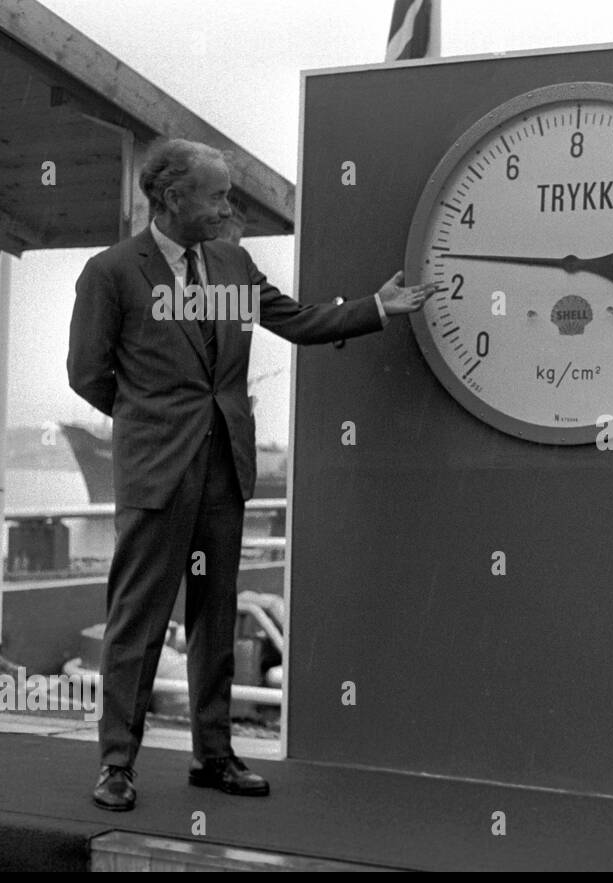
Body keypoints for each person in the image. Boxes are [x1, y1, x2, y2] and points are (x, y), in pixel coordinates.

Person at [67, 138, 434, 811]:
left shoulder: (234, 265)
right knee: (137, 623)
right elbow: (86, 372)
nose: (226, 206)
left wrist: (377, 309)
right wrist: (151, 418)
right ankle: (117, 764)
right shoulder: (112, 272)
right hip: (157, 475)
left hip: (223, 472)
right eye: (216, 195)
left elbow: (294, 320)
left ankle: (215, 757)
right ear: (174, 197)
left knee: (216, 618)